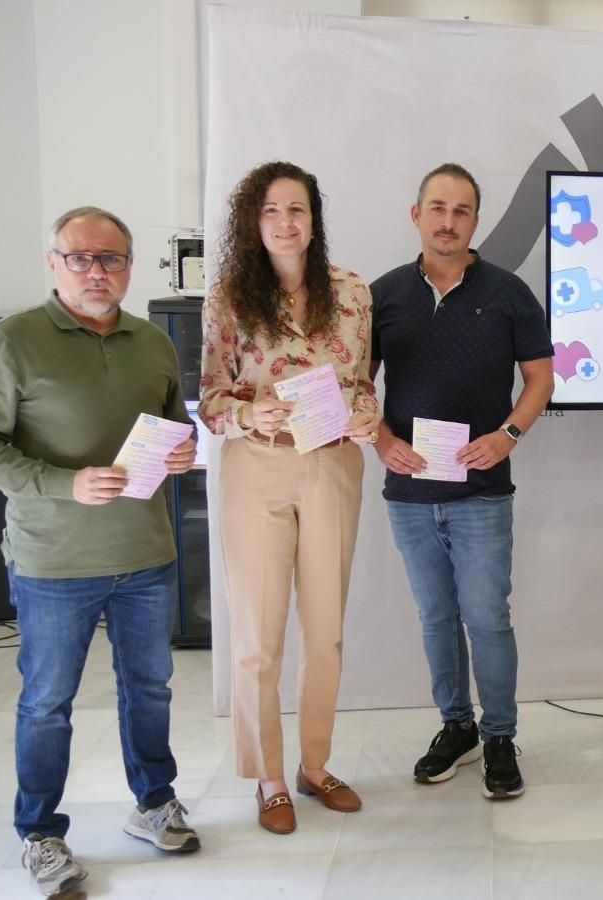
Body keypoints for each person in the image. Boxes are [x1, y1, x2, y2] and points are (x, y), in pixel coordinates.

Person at [0, 207, 202, 896]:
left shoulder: (152, 342)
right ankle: (40, 834)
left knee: (149, 688)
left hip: (145, 552)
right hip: (53, 561)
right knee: (48, 702)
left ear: (129, 266)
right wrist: (64, 483)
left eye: (110, 258)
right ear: (53, 262)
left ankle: (153, 803)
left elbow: (174, 426)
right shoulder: (13, 340)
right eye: (79, 257)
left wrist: (183, 451)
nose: (95, 271)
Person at [199, 161, 382, 834]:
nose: (286, 222)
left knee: (326, 633)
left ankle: (315, 765)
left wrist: (367, 415)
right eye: (272, 210)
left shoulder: (352, 292)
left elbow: (361, 383)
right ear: (255, 221)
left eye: (297, 209)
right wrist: (252, 417)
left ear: (314, 219)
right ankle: (269, 777)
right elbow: (213, 397)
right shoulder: (227, 298)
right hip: (259, 468)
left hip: (333, 467)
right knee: (257, 639)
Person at [369, 163, 553, 798]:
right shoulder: (383, 295)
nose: (449, 220)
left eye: (463, 210)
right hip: (411, 494)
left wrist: (507, 435)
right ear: (416, 215)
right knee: (435, 617)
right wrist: (382, 440)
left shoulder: (508, 293)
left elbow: (541, 379)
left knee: (486, 617)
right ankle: (457, 727)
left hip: (482, 492)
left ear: (476, 220)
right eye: (438, 208)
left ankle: (500, 734)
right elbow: (355, 388)